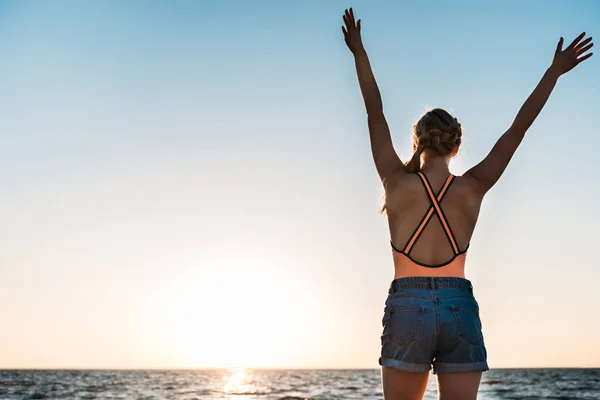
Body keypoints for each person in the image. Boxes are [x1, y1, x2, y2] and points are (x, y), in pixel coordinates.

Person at [341, 7, 593, 400]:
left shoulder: (395, 181)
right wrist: (553, 73)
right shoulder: (474, 186)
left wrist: (359, 52)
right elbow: (518, 127)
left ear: (417, 142)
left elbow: (375, 110)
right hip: (459, 305)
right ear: (457, 145)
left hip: (408, 304)